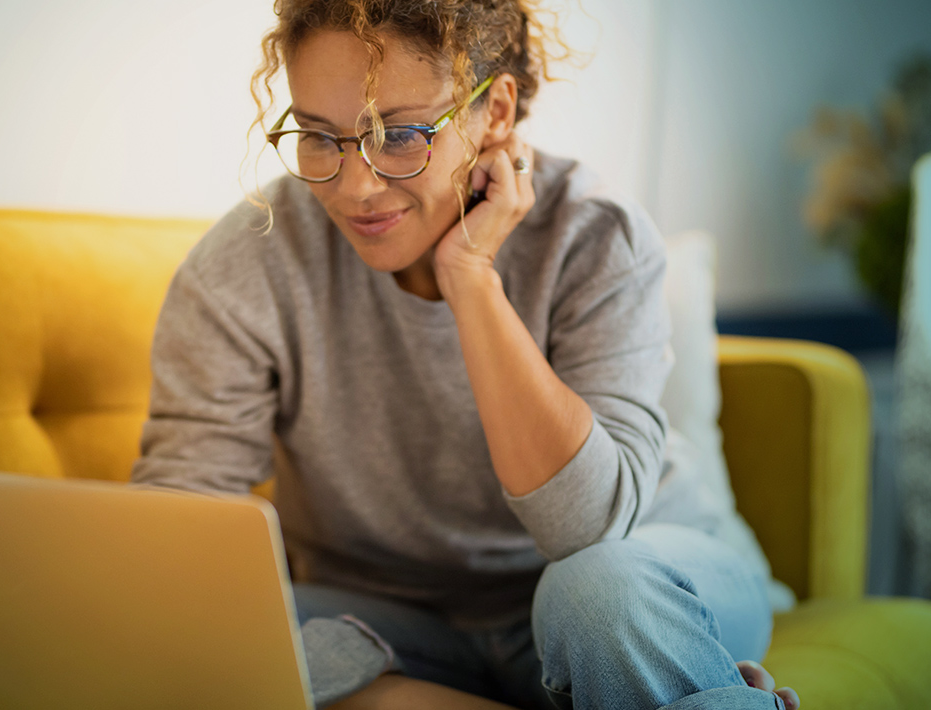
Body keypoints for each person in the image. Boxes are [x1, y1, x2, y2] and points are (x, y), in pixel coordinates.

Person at [129, 1, 802, 708]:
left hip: (634, 578)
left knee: (596, 595)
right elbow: (184, 524)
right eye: (318, 137)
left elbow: (587, 528)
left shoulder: (596, 236)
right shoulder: (245, 263)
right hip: (392, 618)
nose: (354, 186)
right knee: (205, 636)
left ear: (495, 112)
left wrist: (471, 280)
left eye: (400, 135)